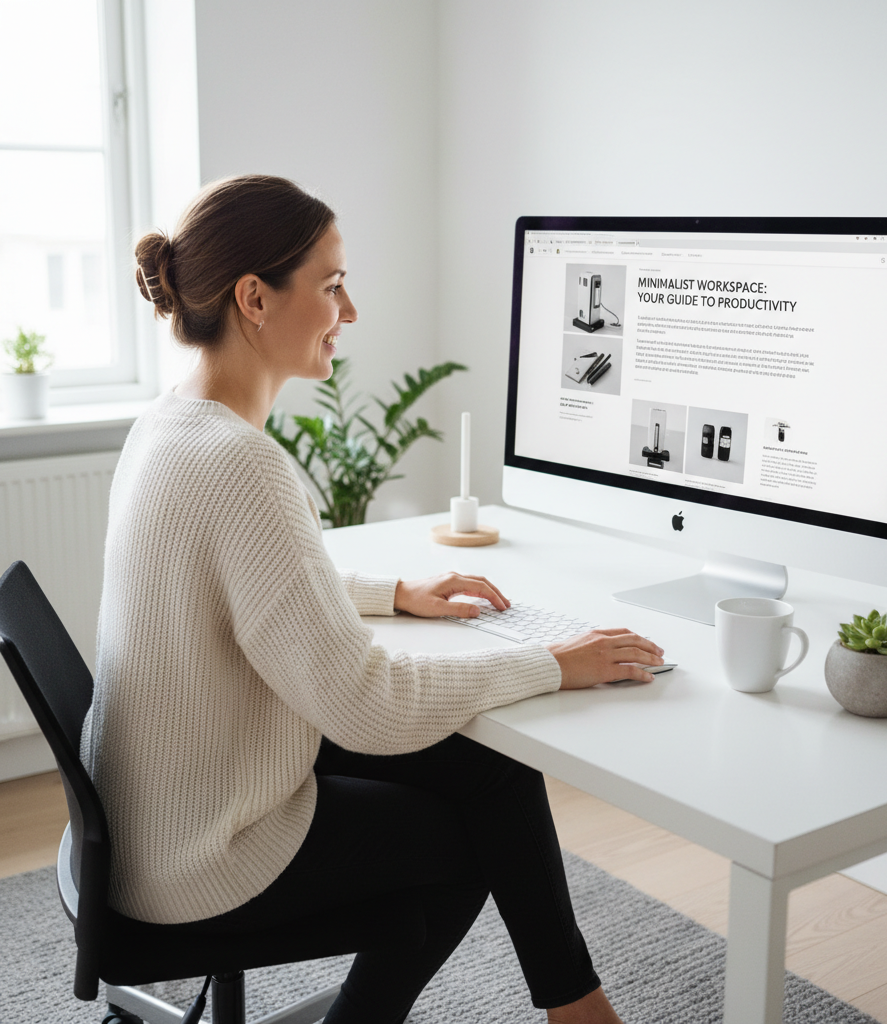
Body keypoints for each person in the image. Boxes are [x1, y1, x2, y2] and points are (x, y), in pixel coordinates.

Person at [81, 174, 664, 1024]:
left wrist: (392, 593)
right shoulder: (241, 464)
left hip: (159, 814)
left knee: (490, 769)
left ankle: (576, 1010)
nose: (348, 311)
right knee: (472, 837)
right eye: (330, 285)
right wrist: (549, 664)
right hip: (203, 850)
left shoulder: (172, 423)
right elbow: (365, 706)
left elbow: (234, 587)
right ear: (254, 298)